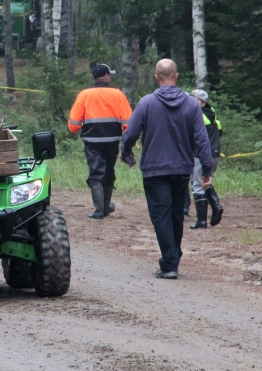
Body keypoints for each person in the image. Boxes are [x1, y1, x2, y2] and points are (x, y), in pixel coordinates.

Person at [120, 59, 212, 280]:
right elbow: (202, 139)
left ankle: (170, 263)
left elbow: (131, 133)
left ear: (156, 77)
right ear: (176, 76)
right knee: (175, 214)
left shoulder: (146, 103)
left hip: (154, 169)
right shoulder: (192, 104)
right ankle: (173, 256)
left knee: (161, 215)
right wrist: (207, 168)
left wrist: (125, 151)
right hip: (182, 168)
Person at [68, 64, 133, 219]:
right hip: (112, 141)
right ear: (105, 77)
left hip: (92, 142)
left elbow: (73, 126)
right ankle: (105, 207)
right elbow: (129, 123)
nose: (110, 77)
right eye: (109, 75)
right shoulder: (118, 94)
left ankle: (99, 210)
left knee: (96, 172)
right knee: (109, 171)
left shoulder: (84, 95)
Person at [189, 89, 224, 229]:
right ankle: (216, 206)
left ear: (202, 103)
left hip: (201, 155)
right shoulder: (213, 115)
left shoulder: (197, 115)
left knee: (197, 185)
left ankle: (201, 221)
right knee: (205, 182)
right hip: (215, 154)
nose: (190, 100)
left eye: (193, 98)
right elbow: (220, 132)